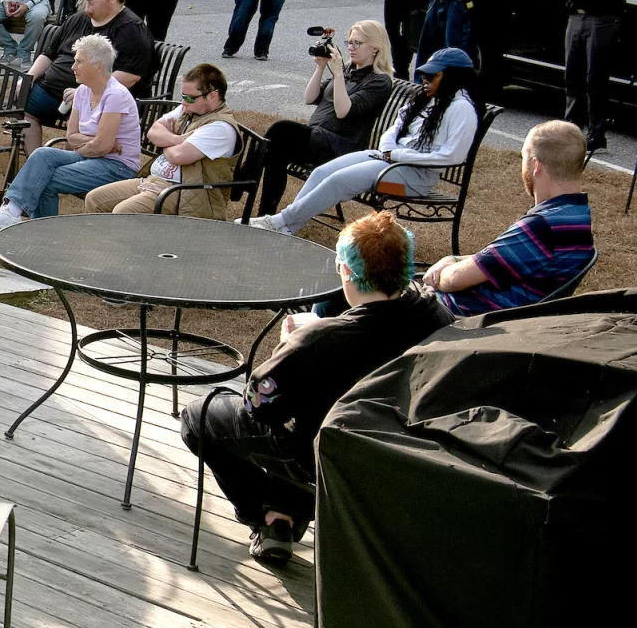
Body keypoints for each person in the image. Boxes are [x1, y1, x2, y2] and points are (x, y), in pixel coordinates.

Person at [180, 211, 451, 566]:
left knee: (197, 418)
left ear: (348, 272)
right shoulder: (437, 314)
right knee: (308, 414)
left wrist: (288, 345)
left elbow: (260, 407)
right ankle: (282, 514)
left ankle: (262, 515)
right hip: (397, 452)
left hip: (325, 454)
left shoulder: (320, 339)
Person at [247, 47, 480, 235]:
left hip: (414, 177)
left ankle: (280, 221)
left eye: (433, 75)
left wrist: (397, 155)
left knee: (339, 180)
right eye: (425, 74)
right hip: (389, 161)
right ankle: (288, 228)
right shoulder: (427, 99)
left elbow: (453, 156)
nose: (425, 79)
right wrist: (390, 147)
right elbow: (395, 128)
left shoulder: (461, 109)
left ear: (453, 78)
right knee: (322, 173)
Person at [421, 120, 595, 316]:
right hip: (504, 317)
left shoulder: (543, 226)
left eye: (523, 158)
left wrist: (442, 272)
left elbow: (454, 280)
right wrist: (451, 258)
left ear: (536, 165)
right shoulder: (575, 216)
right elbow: (497, 261)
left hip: (463, 317)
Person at [0, 35, 142, 227]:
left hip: (118, 167)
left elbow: (101, 147)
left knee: (46, 178)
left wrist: (94, 145)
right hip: (93, 158)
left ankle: (42, 235)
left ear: (98, 66)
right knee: (42, 154)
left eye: (79, 61)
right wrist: (95, 143)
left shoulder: (115, 95)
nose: (73, 66)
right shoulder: (82, 91)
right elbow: (72, 137)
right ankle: (12, 210)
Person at [255, 21, 397, 215]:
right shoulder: (349, 69)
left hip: (340, 147)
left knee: (282, 130)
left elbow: (342, 111)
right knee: (277, 150)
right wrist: (321, 68)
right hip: (316, 138)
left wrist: (338, 74)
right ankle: (266, 212)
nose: (351, 48)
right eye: (349, 42)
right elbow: (310, 98)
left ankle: (245, 177)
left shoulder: (380, 81)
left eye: (358, 43)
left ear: (375, 48)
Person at [19, 0, 154, 152]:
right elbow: (48, 54)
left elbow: (130, 75)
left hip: (97, 100)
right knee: (23, 106)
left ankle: (71, 167)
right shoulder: (77, 19)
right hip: (52, 91)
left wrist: (86, 93)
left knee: (81, 124)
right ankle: (34, 159)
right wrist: (28, 79)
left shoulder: (131, 30)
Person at [85, 63, 239, 217]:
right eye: (183, 97)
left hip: (184, 192)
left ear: (213, 95)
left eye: (190, 98)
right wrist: (177, 139)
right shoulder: (189, 110)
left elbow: (178, 156)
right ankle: (102, 241)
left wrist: (165, 142)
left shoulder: (220, 127)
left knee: (123, 212)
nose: (184, 102)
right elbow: (153, 132)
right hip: (154, 181)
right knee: (94, 199)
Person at [559, 0, 636, 154]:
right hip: (578, 16)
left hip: (603, 19)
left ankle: (596, 132)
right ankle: (571, 127)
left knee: (596, 77)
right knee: (573, 74)